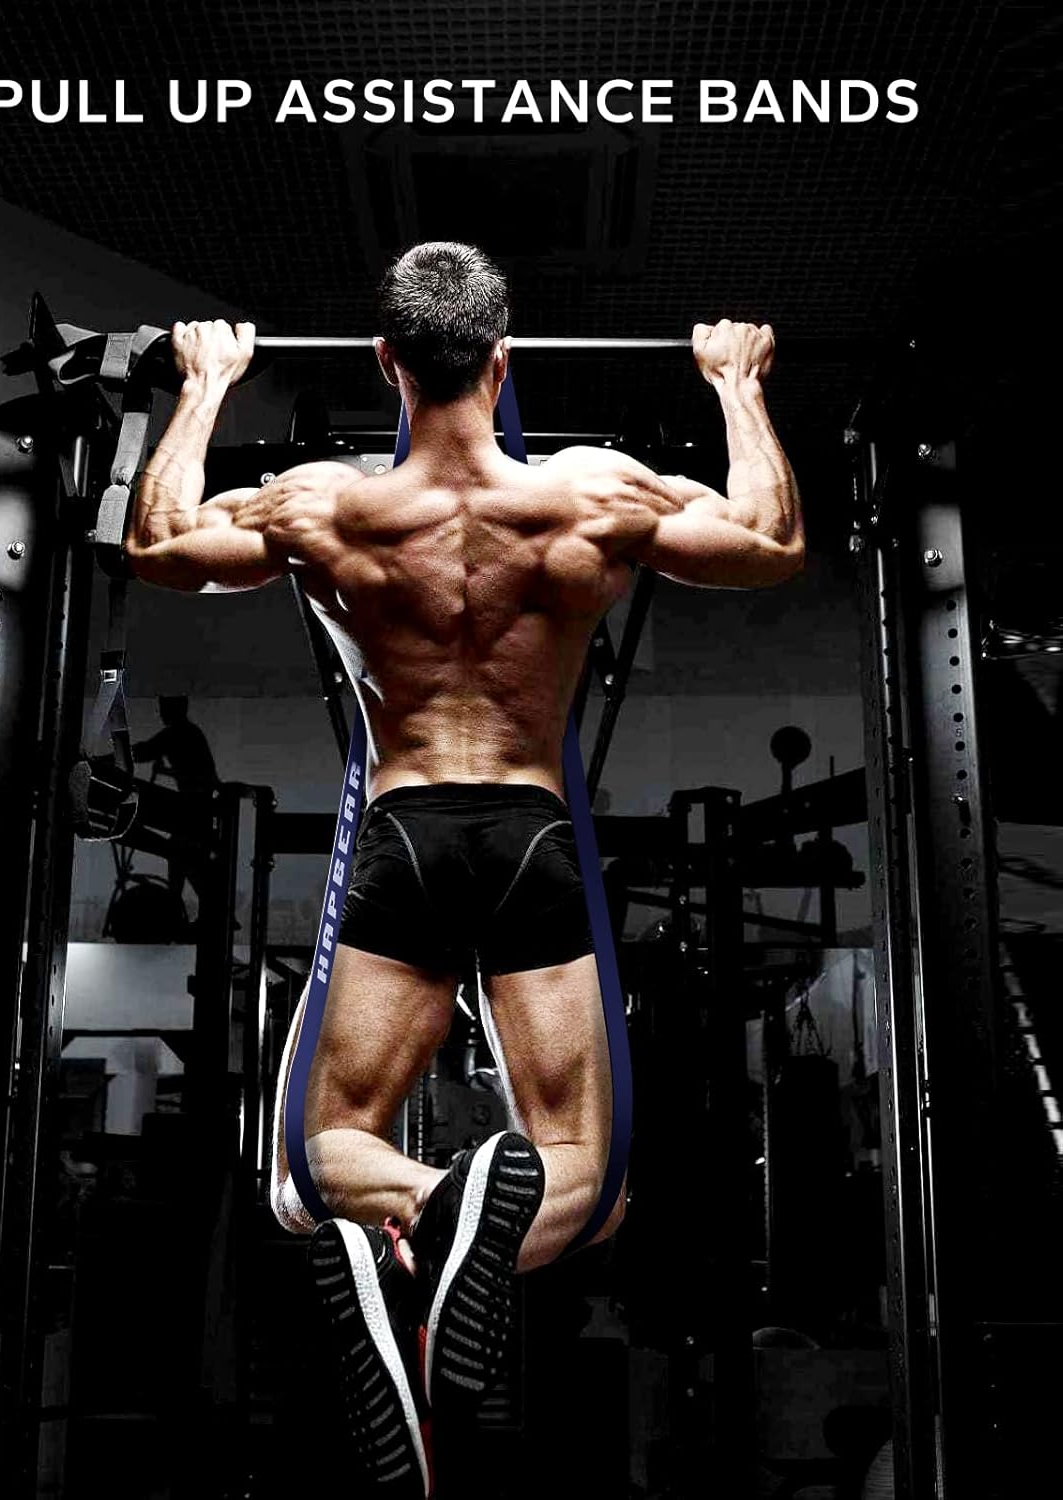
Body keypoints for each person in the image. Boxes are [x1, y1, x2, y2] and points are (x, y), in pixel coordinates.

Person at [125, 242, 803, 1495]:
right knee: (589, 1180)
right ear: (503, 360)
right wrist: (736, 384)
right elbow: (769, 540)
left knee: (315, 1164)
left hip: (405, 835)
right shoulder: (591, 494)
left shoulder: (325, 506)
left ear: (386, 362)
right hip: (531, 835)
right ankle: (461, 1234)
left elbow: (160, 544)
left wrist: (204, 386)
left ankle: (425, 1224)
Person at [132, 694, 219, 909]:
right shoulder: (191, 733)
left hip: (193, 811)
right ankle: (183, 908)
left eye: (163, 708)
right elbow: (201, 776)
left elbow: (143, 751)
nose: (160, 714)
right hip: (199, 810)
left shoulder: (175, 734)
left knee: (183, 859)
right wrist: (167, 771)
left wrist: (106, 759)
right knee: (185, 860)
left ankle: (178, 908)